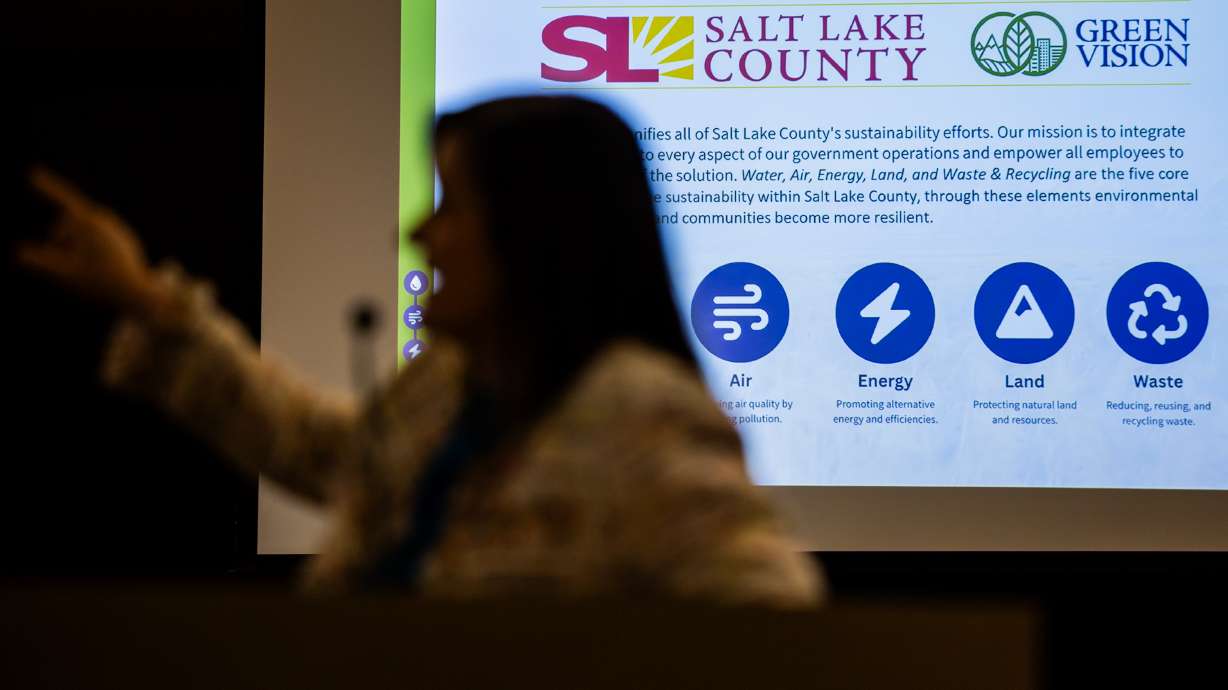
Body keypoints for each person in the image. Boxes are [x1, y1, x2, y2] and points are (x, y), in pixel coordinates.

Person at [18, 96, 822, 606]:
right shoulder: (449, 391)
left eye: (452, 207)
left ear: (534, 235)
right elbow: (321, 447)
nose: (418, 234)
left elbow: (774, 626)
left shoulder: (639, 414)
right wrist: (146, 302)